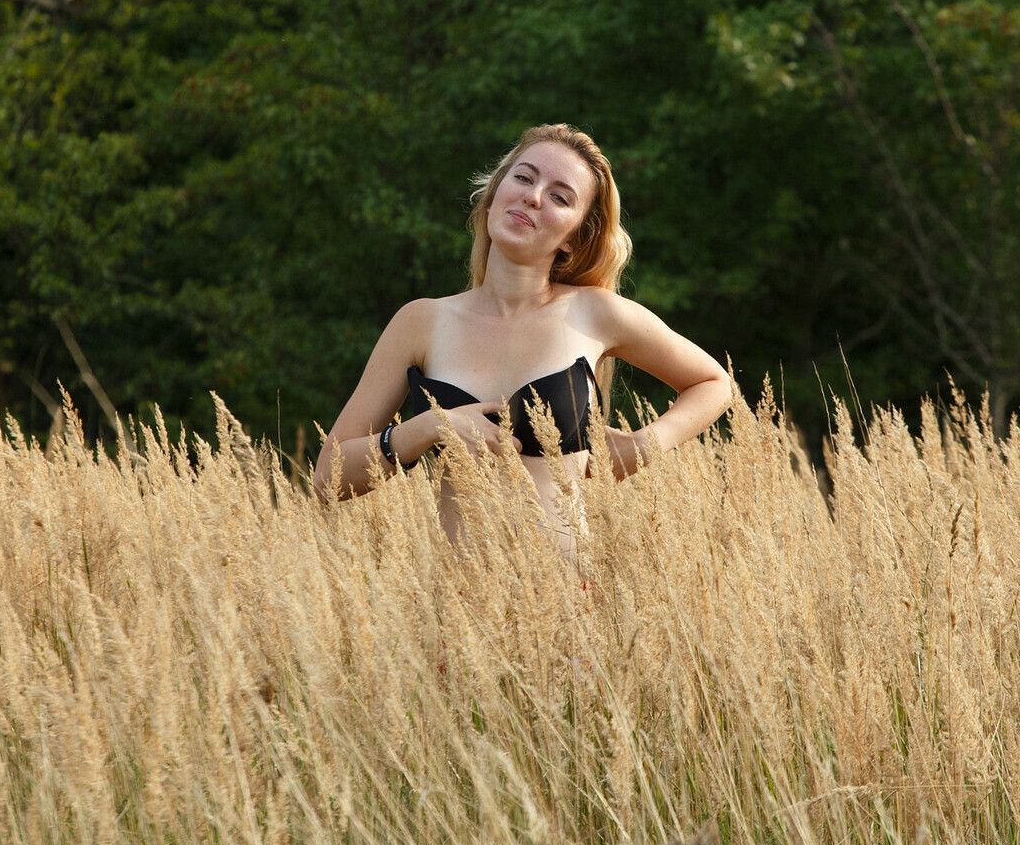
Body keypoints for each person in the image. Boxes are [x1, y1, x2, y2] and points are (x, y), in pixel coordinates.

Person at [312, 124, 732, 552]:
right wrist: (432, 427)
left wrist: (646, 444)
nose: (533, 196)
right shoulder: (421, 321)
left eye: (560, 197)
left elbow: (714, 383)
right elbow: (328, 479)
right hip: (459, 591)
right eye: (524, 178)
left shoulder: (595, 312)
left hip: (566, 589)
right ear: (493, 195)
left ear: (574, 239)